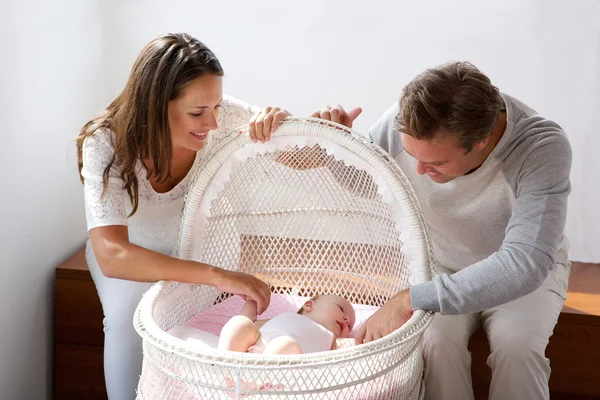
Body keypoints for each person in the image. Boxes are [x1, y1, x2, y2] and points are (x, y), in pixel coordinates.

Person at [311, 61, 571, 400]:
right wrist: (335, 146)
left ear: (481, 141)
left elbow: (524, 264)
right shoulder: (406, 119)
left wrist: (408, 298)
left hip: (523, 275)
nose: (417, 170)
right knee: (434, 343)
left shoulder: (541, 147)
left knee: (517, 347)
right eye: (412, 156)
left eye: (434, 164)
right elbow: (368, 181)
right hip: (442, 265)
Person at [76, 32, 290, 399]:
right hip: (135, 257)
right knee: (129, 319)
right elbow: (112, 254)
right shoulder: (106, 143)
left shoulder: (219, 117)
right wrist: (216, 277)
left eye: (218, 107)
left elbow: (295, 151)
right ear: (155, 107)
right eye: (197, 112)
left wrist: (300, 125)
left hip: (205, 247)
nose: (213, 122)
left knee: (193, 324)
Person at [218, 295, 356, 354]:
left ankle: (257, 380)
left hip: (286, 366)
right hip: (251, 351)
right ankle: (224, 361)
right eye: (341, 309)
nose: (346, 319)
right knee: (240, 322)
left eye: (350, 326)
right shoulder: (285, 317)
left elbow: (360, 344)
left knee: (284, 344)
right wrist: (252, 301)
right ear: (309, 305)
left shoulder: (331, 338)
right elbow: (250, 322)